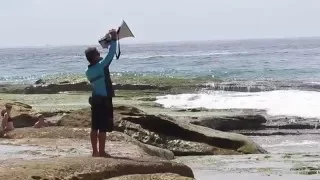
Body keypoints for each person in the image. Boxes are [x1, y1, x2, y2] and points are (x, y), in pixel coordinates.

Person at [85, 29, 117, 157]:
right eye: (98, 53)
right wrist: (114, 40)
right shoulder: (101, 66)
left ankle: (95, 152)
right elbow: (111, 54)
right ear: (95, 57)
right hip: (104, 101)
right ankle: (102, 151)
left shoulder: (88, 72)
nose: (100, 54)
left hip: (95, 100)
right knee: (103, 127)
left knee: (94, 127)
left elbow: (104, 59)